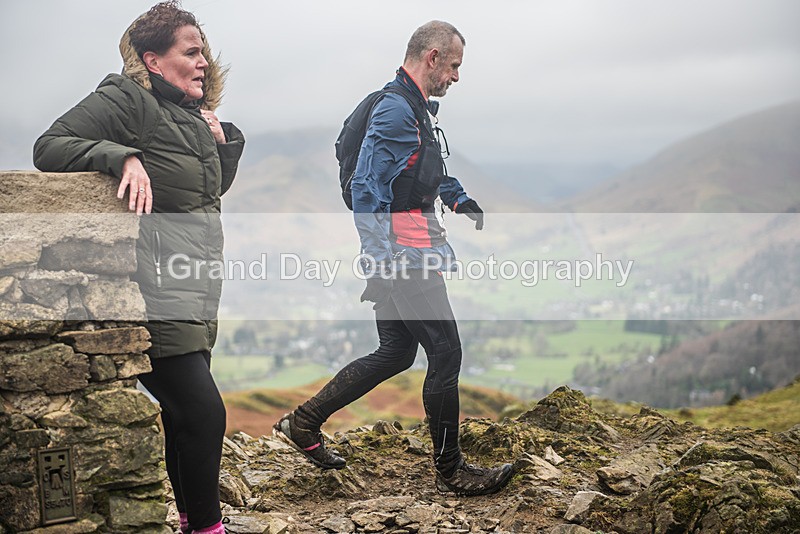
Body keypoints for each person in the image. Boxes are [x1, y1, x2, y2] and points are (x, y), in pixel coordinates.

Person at [274, 20, 514, 496]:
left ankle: (303, 423)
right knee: (445, 352)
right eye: (455, 65)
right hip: (406, 254)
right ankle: (451, 471)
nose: (457, 77)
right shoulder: (397, 112)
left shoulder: (413, 108)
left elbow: (420, 168)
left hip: (404, 248)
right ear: (432, 58)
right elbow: (367, 185)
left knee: (397, 352)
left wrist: (457, 197)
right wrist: (382, 257)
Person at [33, 2, 244, 532]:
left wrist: (223, 144)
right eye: (191, 53)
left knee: (183, 417)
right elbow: (49, 146)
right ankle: (208, 528)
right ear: (153, 60)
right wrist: (119, 155)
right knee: (203, 412)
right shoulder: (126, 99)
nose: (203, 63)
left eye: (204, 53)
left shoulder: (190, 117)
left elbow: (205, 191)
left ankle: (192, 522)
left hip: (193, 288)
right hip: (149, 288)